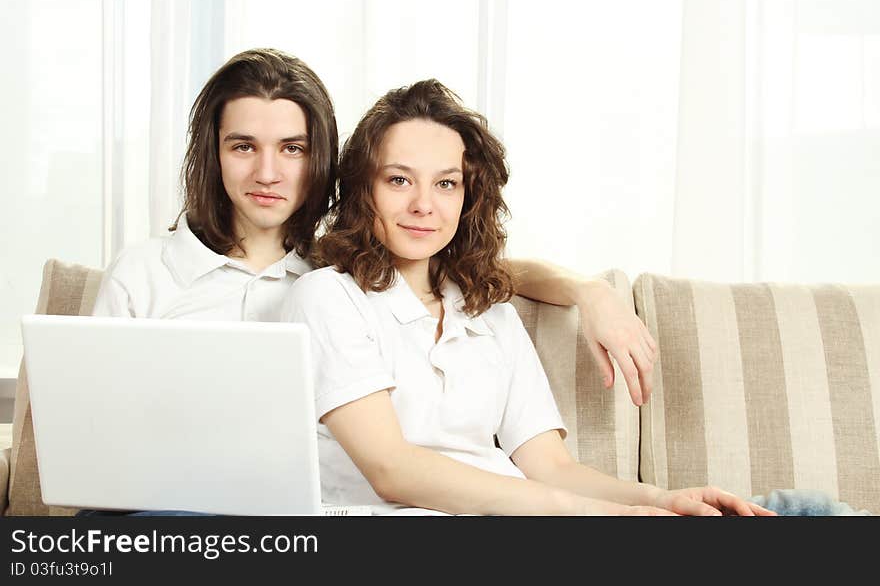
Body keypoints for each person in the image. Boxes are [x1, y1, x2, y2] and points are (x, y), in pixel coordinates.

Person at [280, 79, 779, 516]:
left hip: (519, 518)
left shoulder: (489, 312)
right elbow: (392, 470)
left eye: (446, 184)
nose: (423, 205)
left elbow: (551, 467)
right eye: (398, 180)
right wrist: (591, 514)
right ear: (363, 188)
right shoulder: (326, 296)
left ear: (468, 198)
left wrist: (660, 500)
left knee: (800, 511)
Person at [92, 47, 656, 403]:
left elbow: (481, 267)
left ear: (320, 160)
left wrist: (591, 292)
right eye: (243, 146)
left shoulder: (337, 270)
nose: (267, 172)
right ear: (212, 154)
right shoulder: (142, 273)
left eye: (291, 148)